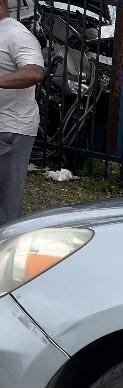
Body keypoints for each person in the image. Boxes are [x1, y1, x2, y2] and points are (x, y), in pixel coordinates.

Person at [0, 1, 43, 226]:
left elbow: (34, 72)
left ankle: (6, 252)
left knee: (6, 207)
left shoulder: (17, 34)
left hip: (11, 129)